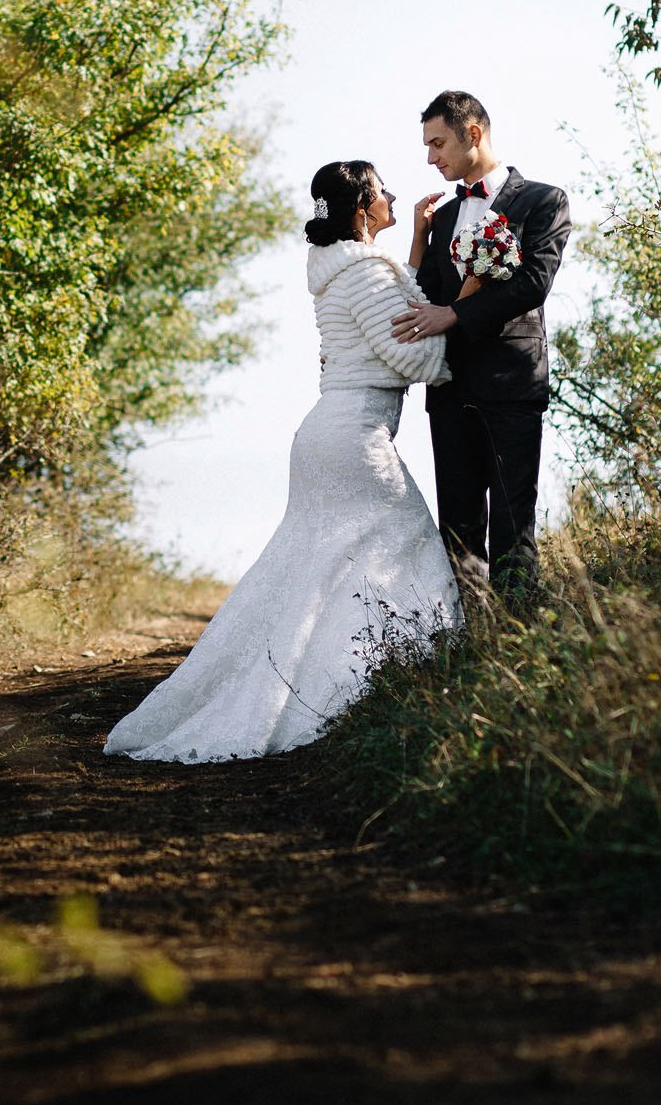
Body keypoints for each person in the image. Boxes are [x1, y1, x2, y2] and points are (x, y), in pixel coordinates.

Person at [104, 161, 459, 764]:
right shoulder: (365, 272)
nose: (393, 196)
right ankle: (372, 679)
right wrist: (461, 329)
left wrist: (420, 242)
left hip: (328, 432)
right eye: (383, 190)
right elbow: (410, 356)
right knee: (410, 541)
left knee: (321, 570)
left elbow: (381, 321)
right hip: (354, 437)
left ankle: (334, 672)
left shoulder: (338, 268)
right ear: (362, 207)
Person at [389, 92, 572, 603]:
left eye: (438, 143)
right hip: (449, 389)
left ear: (473, 133)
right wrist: (419, 240)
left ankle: (519, 634)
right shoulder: (444, 217)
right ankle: (471, 635)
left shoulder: (544, 200)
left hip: (512, 383)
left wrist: (455, 314)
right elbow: (424, 297)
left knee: (514, 523)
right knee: (458, 526)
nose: (431, 157)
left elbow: (533, 283)